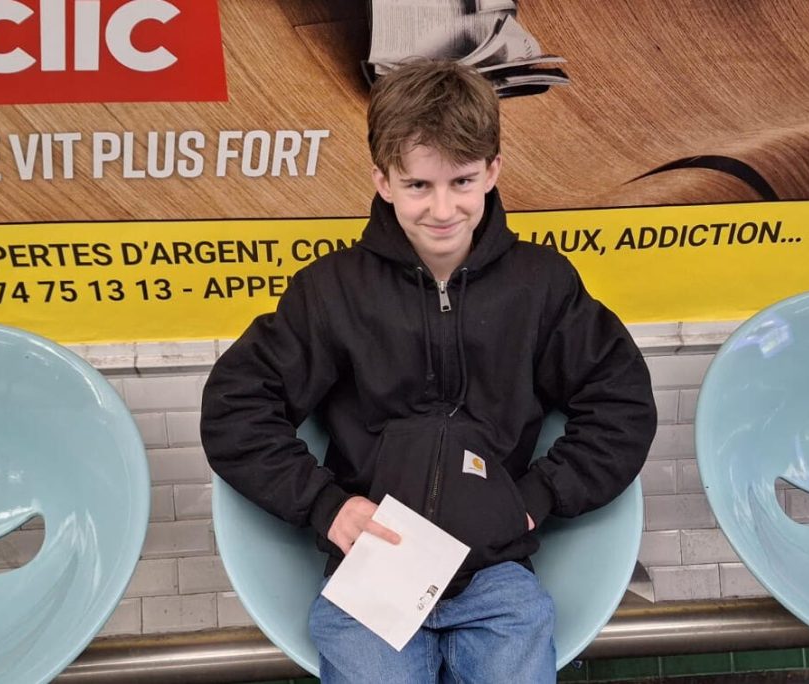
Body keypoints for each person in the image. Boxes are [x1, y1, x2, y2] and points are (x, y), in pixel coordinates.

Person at [201, 59, 657, 683]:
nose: (443, 210)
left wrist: (538, 496)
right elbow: (235, 406)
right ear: (383, 181)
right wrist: (325, 505)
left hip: (498, 581)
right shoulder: (331, 291)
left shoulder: (542, 285)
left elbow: (621, 400)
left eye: (462, 182)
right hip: (371, 579)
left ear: (493, 172)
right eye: (418, 185)